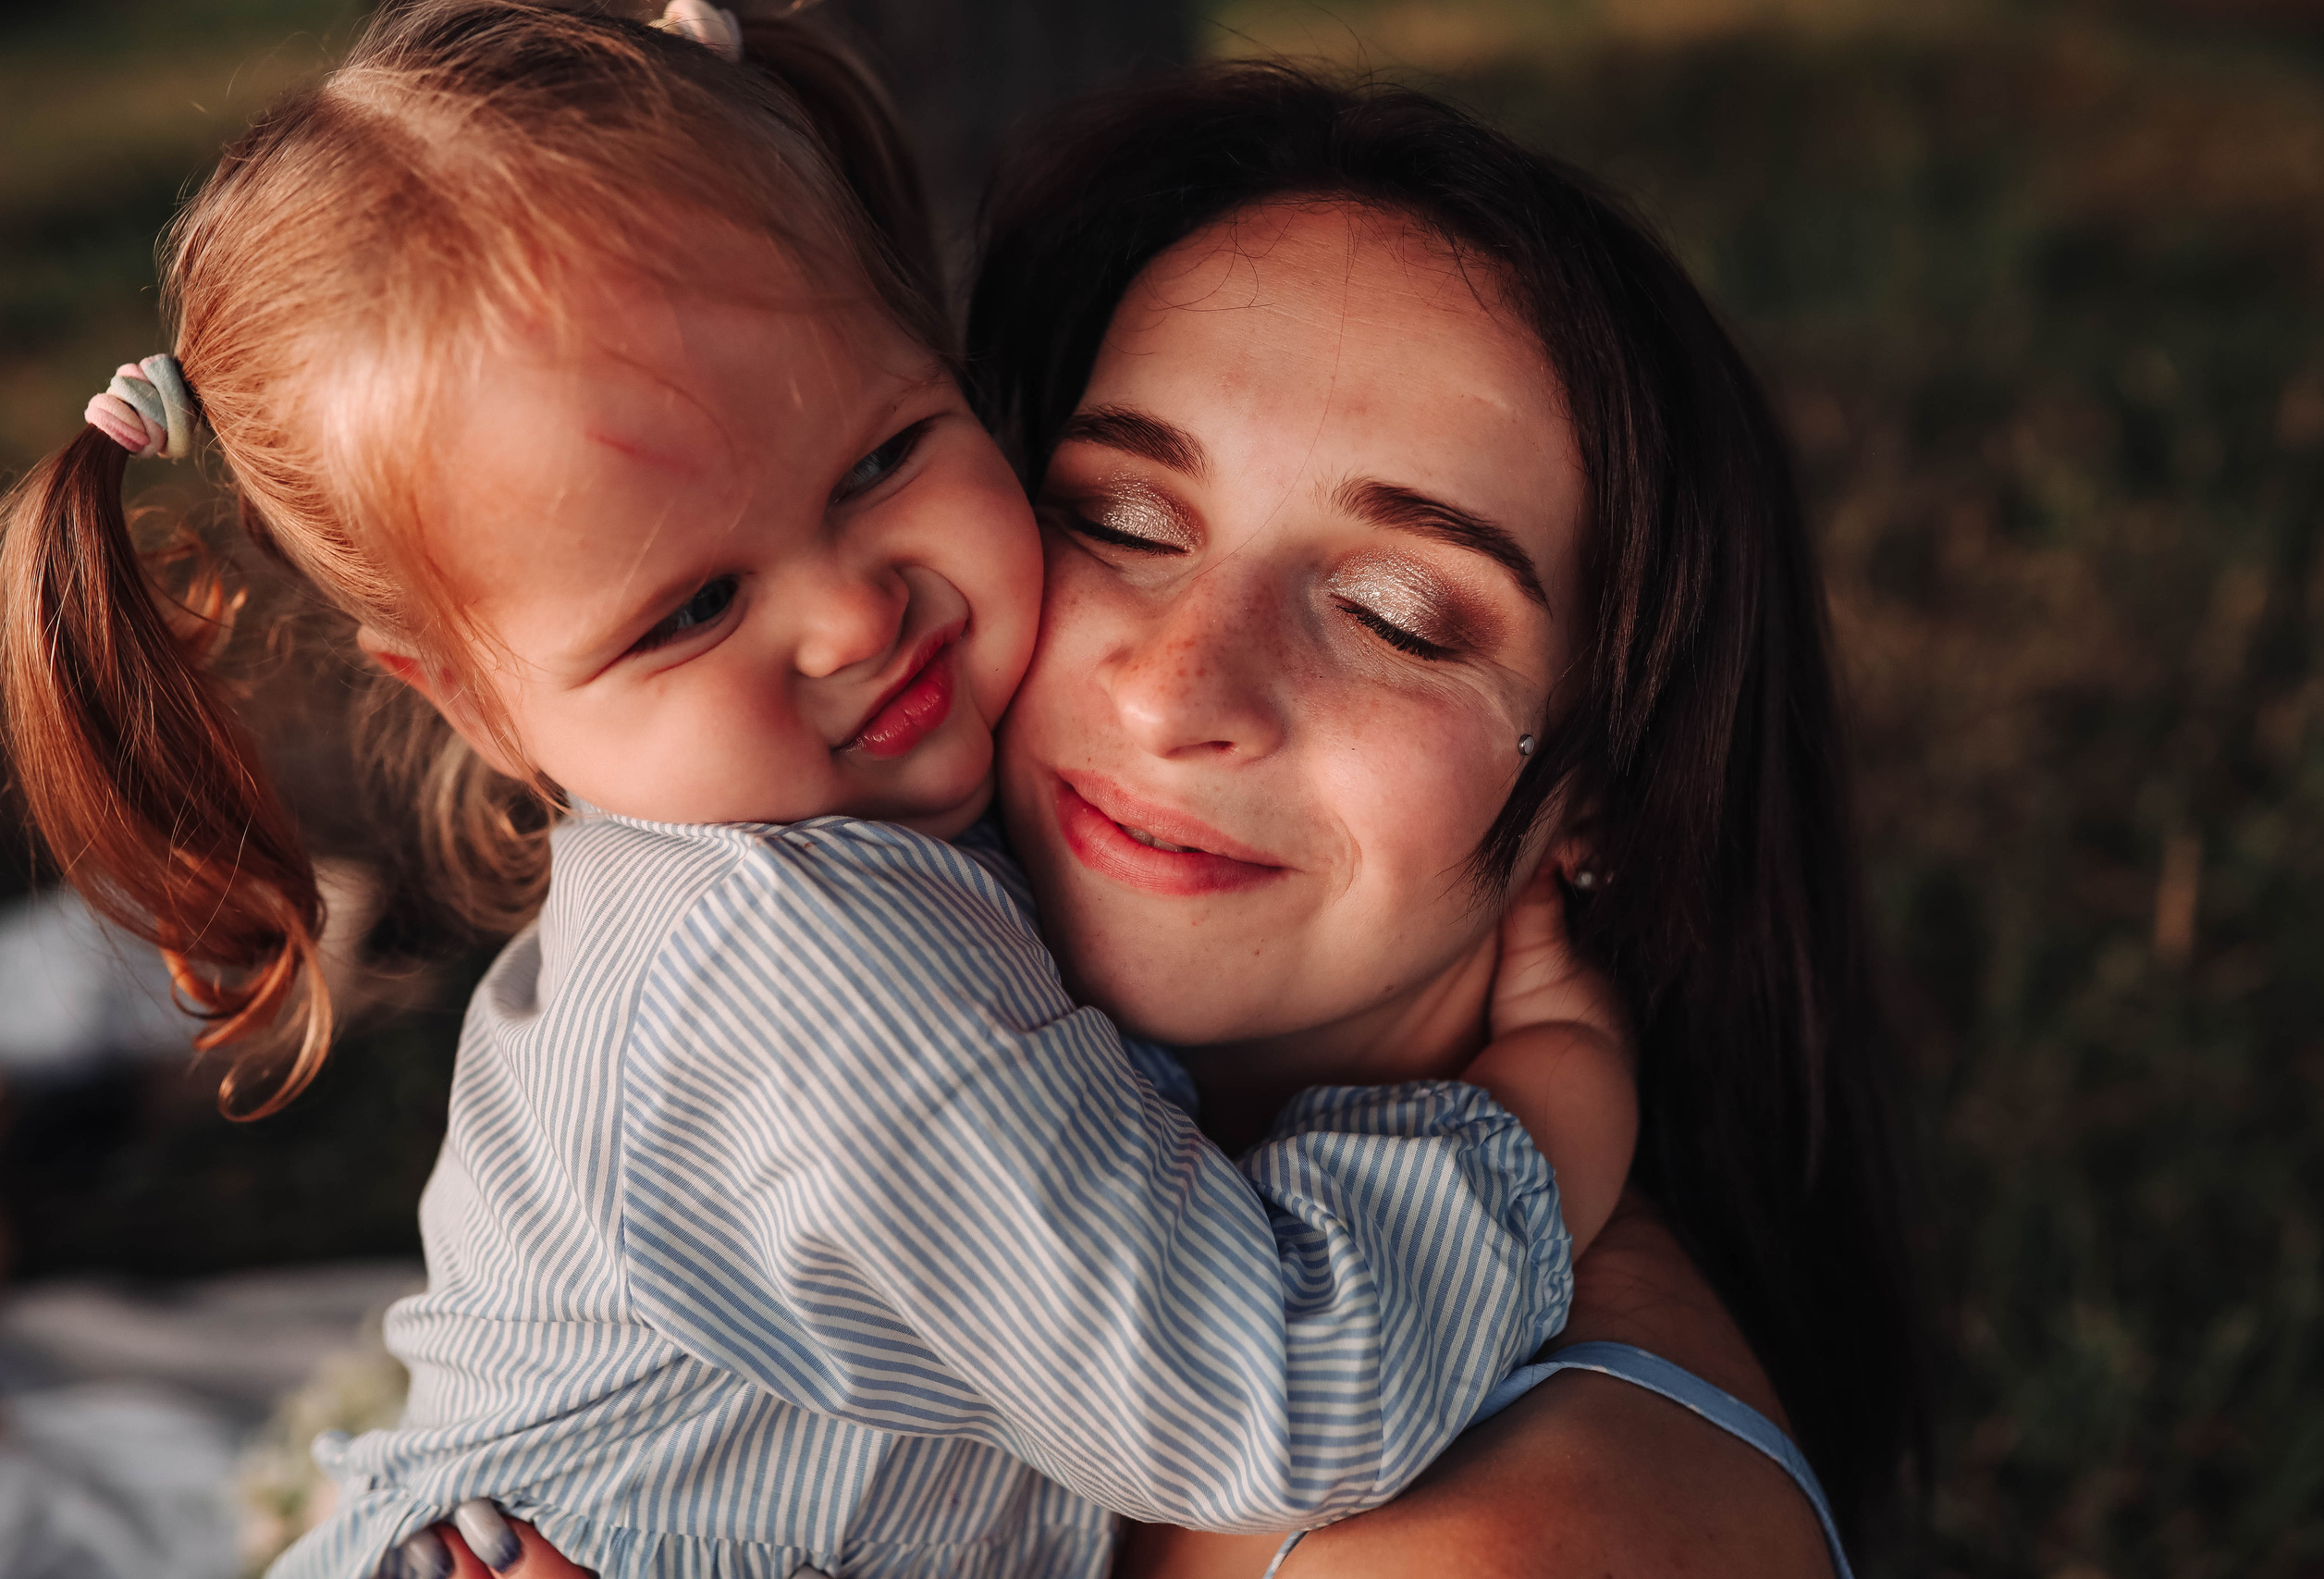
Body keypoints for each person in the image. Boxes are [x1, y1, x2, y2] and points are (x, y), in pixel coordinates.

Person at [0, 6, 1639, 1578]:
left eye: (882, 460)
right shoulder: (801, 957)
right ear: (481, 706)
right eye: (695, 606)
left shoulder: (782, 857)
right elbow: (1264, 1396)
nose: (858, 613)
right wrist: (1533, 1130)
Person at [419, 53, 1925, 1579]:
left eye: (1399, 617)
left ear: (1605, 786)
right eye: (1120, 522)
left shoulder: (1519, 1545)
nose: (1177, 689)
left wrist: (1545, 1114)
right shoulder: (870, 1081)